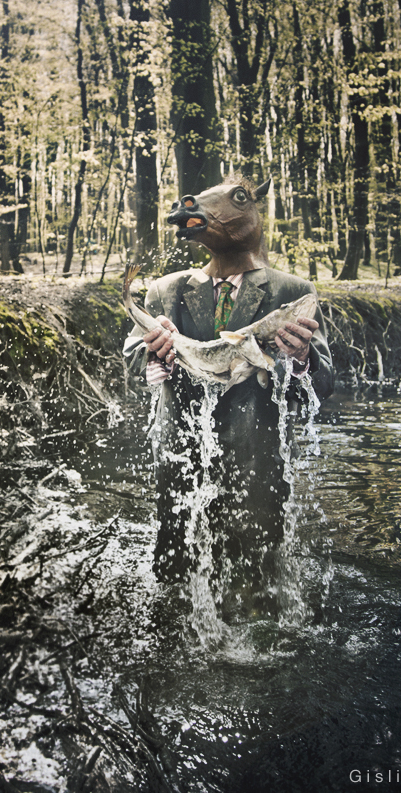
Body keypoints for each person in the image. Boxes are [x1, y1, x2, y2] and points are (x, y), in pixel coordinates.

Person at [124, 176, 334, 609]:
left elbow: (324, 382)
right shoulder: (165, 290)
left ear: (253, 211)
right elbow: (132, 366)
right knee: (174, 584)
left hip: (257, 471)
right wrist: (154, 352)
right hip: (181, 466)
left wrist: (301, 358)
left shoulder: (293, 292)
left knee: (257, 593)